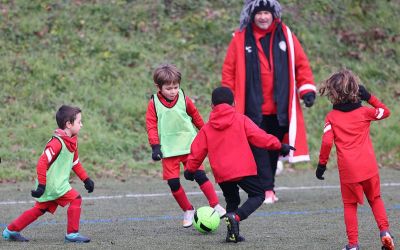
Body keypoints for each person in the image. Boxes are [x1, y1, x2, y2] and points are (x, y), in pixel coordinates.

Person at [221, 0, 316, 204]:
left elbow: (301, 64)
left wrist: (306, 89)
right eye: (259, 13)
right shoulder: (239, 38)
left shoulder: (286, 35)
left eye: (267, 12)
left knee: (274, 147)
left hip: (280, 106)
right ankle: (266, 189)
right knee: (258, 147)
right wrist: (227, 100)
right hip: (251, 107)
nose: (263, 17)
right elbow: (229, 71)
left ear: (274, 14)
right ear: (251, 15)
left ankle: (268, 187)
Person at [184, 87, 295, 243]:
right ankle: (236, 217)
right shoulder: (241, 120)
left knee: (232, 201)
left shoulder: (207, 129)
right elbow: (260, 137)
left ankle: (232, 234)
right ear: (234, 103)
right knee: (258, 195)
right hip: (244, 170)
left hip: (223, 175)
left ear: (211, 106)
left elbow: (197, 152)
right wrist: (280, 146)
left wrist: (190, 170)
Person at [316, 69, 395, 250]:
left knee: (350, 205)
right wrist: (369, 97)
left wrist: (321, 165)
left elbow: (327, 143)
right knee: (375, 198)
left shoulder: (331, 118)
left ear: (333, 94)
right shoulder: (365, 112)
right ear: (355, 90)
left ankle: (353, 245)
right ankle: (385, 232)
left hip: (349, 171)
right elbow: (385, 111)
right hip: (369, 167)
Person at [145, 63, 226, 228]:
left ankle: (215, 204)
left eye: (176, 87)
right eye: (169, 88)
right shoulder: (153, 103)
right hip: (169, 150)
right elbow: (151, 125)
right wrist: (155, 146)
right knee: (173, 183)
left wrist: (205, 132)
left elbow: (195, 115)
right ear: (158, 87)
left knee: (200, 176)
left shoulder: (183, 97)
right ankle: (188, 210)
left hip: (190, 146)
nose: (173, 91)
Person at [2, 105, 95, 243]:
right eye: (79, 122)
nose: (82, 125)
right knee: (76, 199)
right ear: (68, 124)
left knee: (40, 209)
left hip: (55, 185)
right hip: (52, 185)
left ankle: (11, 230)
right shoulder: (56, 143)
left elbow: (75, 163)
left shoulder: (72, 141)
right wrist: (42, 185)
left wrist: (86, 179)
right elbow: (42, 163)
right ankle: (72, 235)